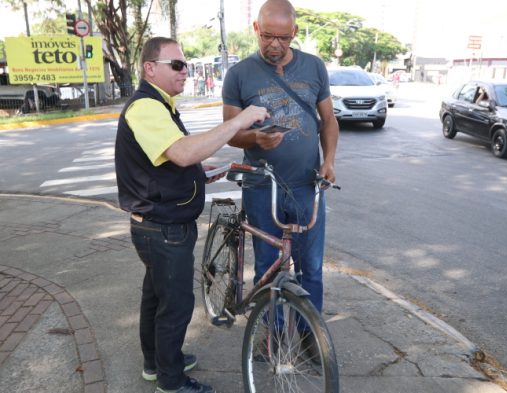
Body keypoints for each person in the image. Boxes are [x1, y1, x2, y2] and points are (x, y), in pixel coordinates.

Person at [115, 37, 268, 393]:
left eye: (185, 65)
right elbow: (182, 153)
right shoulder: (146, 107)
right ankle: (171, 382)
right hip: (163, 229)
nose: (186, 72)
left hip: (158, 226)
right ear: (149, 68)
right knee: (176, 305)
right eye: (178, 65)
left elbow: (172, 160)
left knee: (156, 297)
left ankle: (158, 362)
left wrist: (201, 172)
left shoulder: (161, 105)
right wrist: (240, 120)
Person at [222, 0, 339, 355]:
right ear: (256, 29)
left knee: (311, 270)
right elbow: (230, 131)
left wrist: (329, 160)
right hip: (262, 187)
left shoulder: (315, 67)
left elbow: (328, 120)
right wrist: (255, 138)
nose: (275, 45)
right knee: (267, 269)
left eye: (283, 38)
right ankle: (271, 335)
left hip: (307, 186)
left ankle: (310, 337)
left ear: (294, 34)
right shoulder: (239, 74)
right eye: (268, 36)